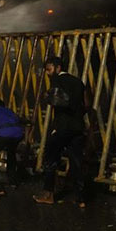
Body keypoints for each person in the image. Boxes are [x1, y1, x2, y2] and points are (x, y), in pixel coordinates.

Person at [33, 57, 89, 208]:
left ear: (58, 68)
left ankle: (48, 194)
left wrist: (46, 96)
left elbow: (56, 100)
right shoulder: (79, 82)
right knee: (76, 162)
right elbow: (86, 105)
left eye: (49, 69)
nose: (48, 73)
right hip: (78, 127)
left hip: (63, 126)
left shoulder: (57, 80)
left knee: (50, 158)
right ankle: (81, 199)